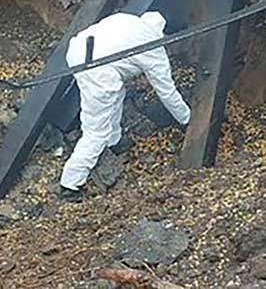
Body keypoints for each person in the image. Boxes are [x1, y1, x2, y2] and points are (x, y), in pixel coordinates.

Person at [60, 11, 191, 200]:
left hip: (77, 51)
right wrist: (187, 119)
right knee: (96, 131)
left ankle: (114, 142)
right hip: (98, 70)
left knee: (115, 93)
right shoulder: (153, 48)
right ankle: (70, 184)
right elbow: (166, 92)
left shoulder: (128, 19)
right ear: (164, 35)